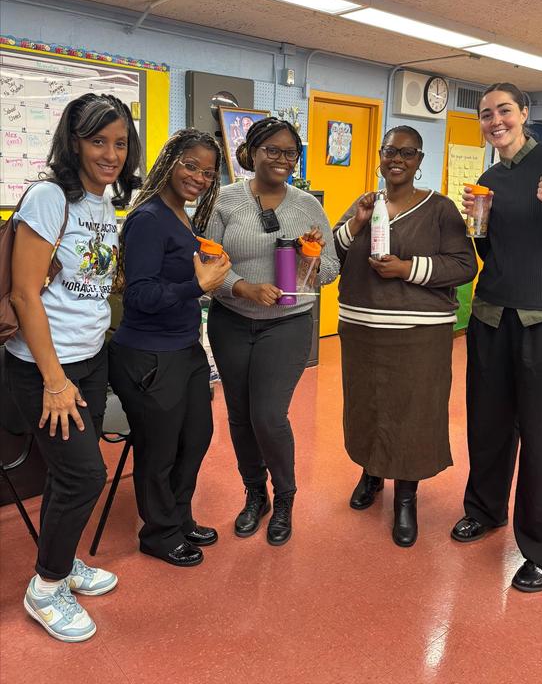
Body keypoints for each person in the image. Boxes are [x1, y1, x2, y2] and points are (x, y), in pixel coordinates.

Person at [451, 82, 542, 592]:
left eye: (505, 110)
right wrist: (481, 227)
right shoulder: (491, 177)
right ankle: (484, 509)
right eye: (487, 113)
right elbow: (497, 258)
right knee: (488, 426)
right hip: (493, 319)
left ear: (525, 113)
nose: (495, 120)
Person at [5, 93, 142, 642]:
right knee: (85, 474)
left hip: (90, 358)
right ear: (74, 141)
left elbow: (85, 283)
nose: (110, 154)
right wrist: (55, 381)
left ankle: (60, 562)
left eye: (120, 143)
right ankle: (46, 585)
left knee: (72, 475)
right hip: (46, 369)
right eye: (97, 141)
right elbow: (22, 295)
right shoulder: (48, 196)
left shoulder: (104, 203)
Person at [333, 125, 477, 546]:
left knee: (412, 413)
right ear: (380, 156)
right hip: (361, 330)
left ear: (419, 161)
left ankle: (407, 498)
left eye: (408, 153)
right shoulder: (365, 203)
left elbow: (463, 265)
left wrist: (407, 269)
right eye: (390, 151)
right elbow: (331, 258)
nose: (397, 159)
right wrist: (354, 225)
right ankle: (372, 473)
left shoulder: (440, 209)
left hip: (418, 334)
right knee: (367, 407)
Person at [206, 117, 339, 546]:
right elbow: (207, 264)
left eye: (289, 153)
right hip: (231, 322)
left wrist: (310, 257)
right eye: (272, 150)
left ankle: (284, 498)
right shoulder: (223, 200)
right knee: (240, 416)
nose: (281, 159)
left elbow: (332, 270)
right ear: (252, 152)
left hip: (287, 324)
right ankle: (254, 494)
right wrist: (241, 286)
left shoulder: (307, 206)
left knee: (268, 415)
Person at [108, 129, 231, 567]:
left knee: (195, 439)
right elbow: (138, 295)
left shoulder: (183, 217)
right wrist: (197, 285)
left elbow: (177, 283)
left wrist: (207, 278)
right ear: (170, 160)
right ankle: (158, 533)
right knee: (159, 450)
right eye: (190, 165)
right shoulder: (148, 219)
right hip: (148, 354)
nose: (198, 177)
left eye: (207, 172)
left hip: (185, 350)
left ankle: (179, 518)